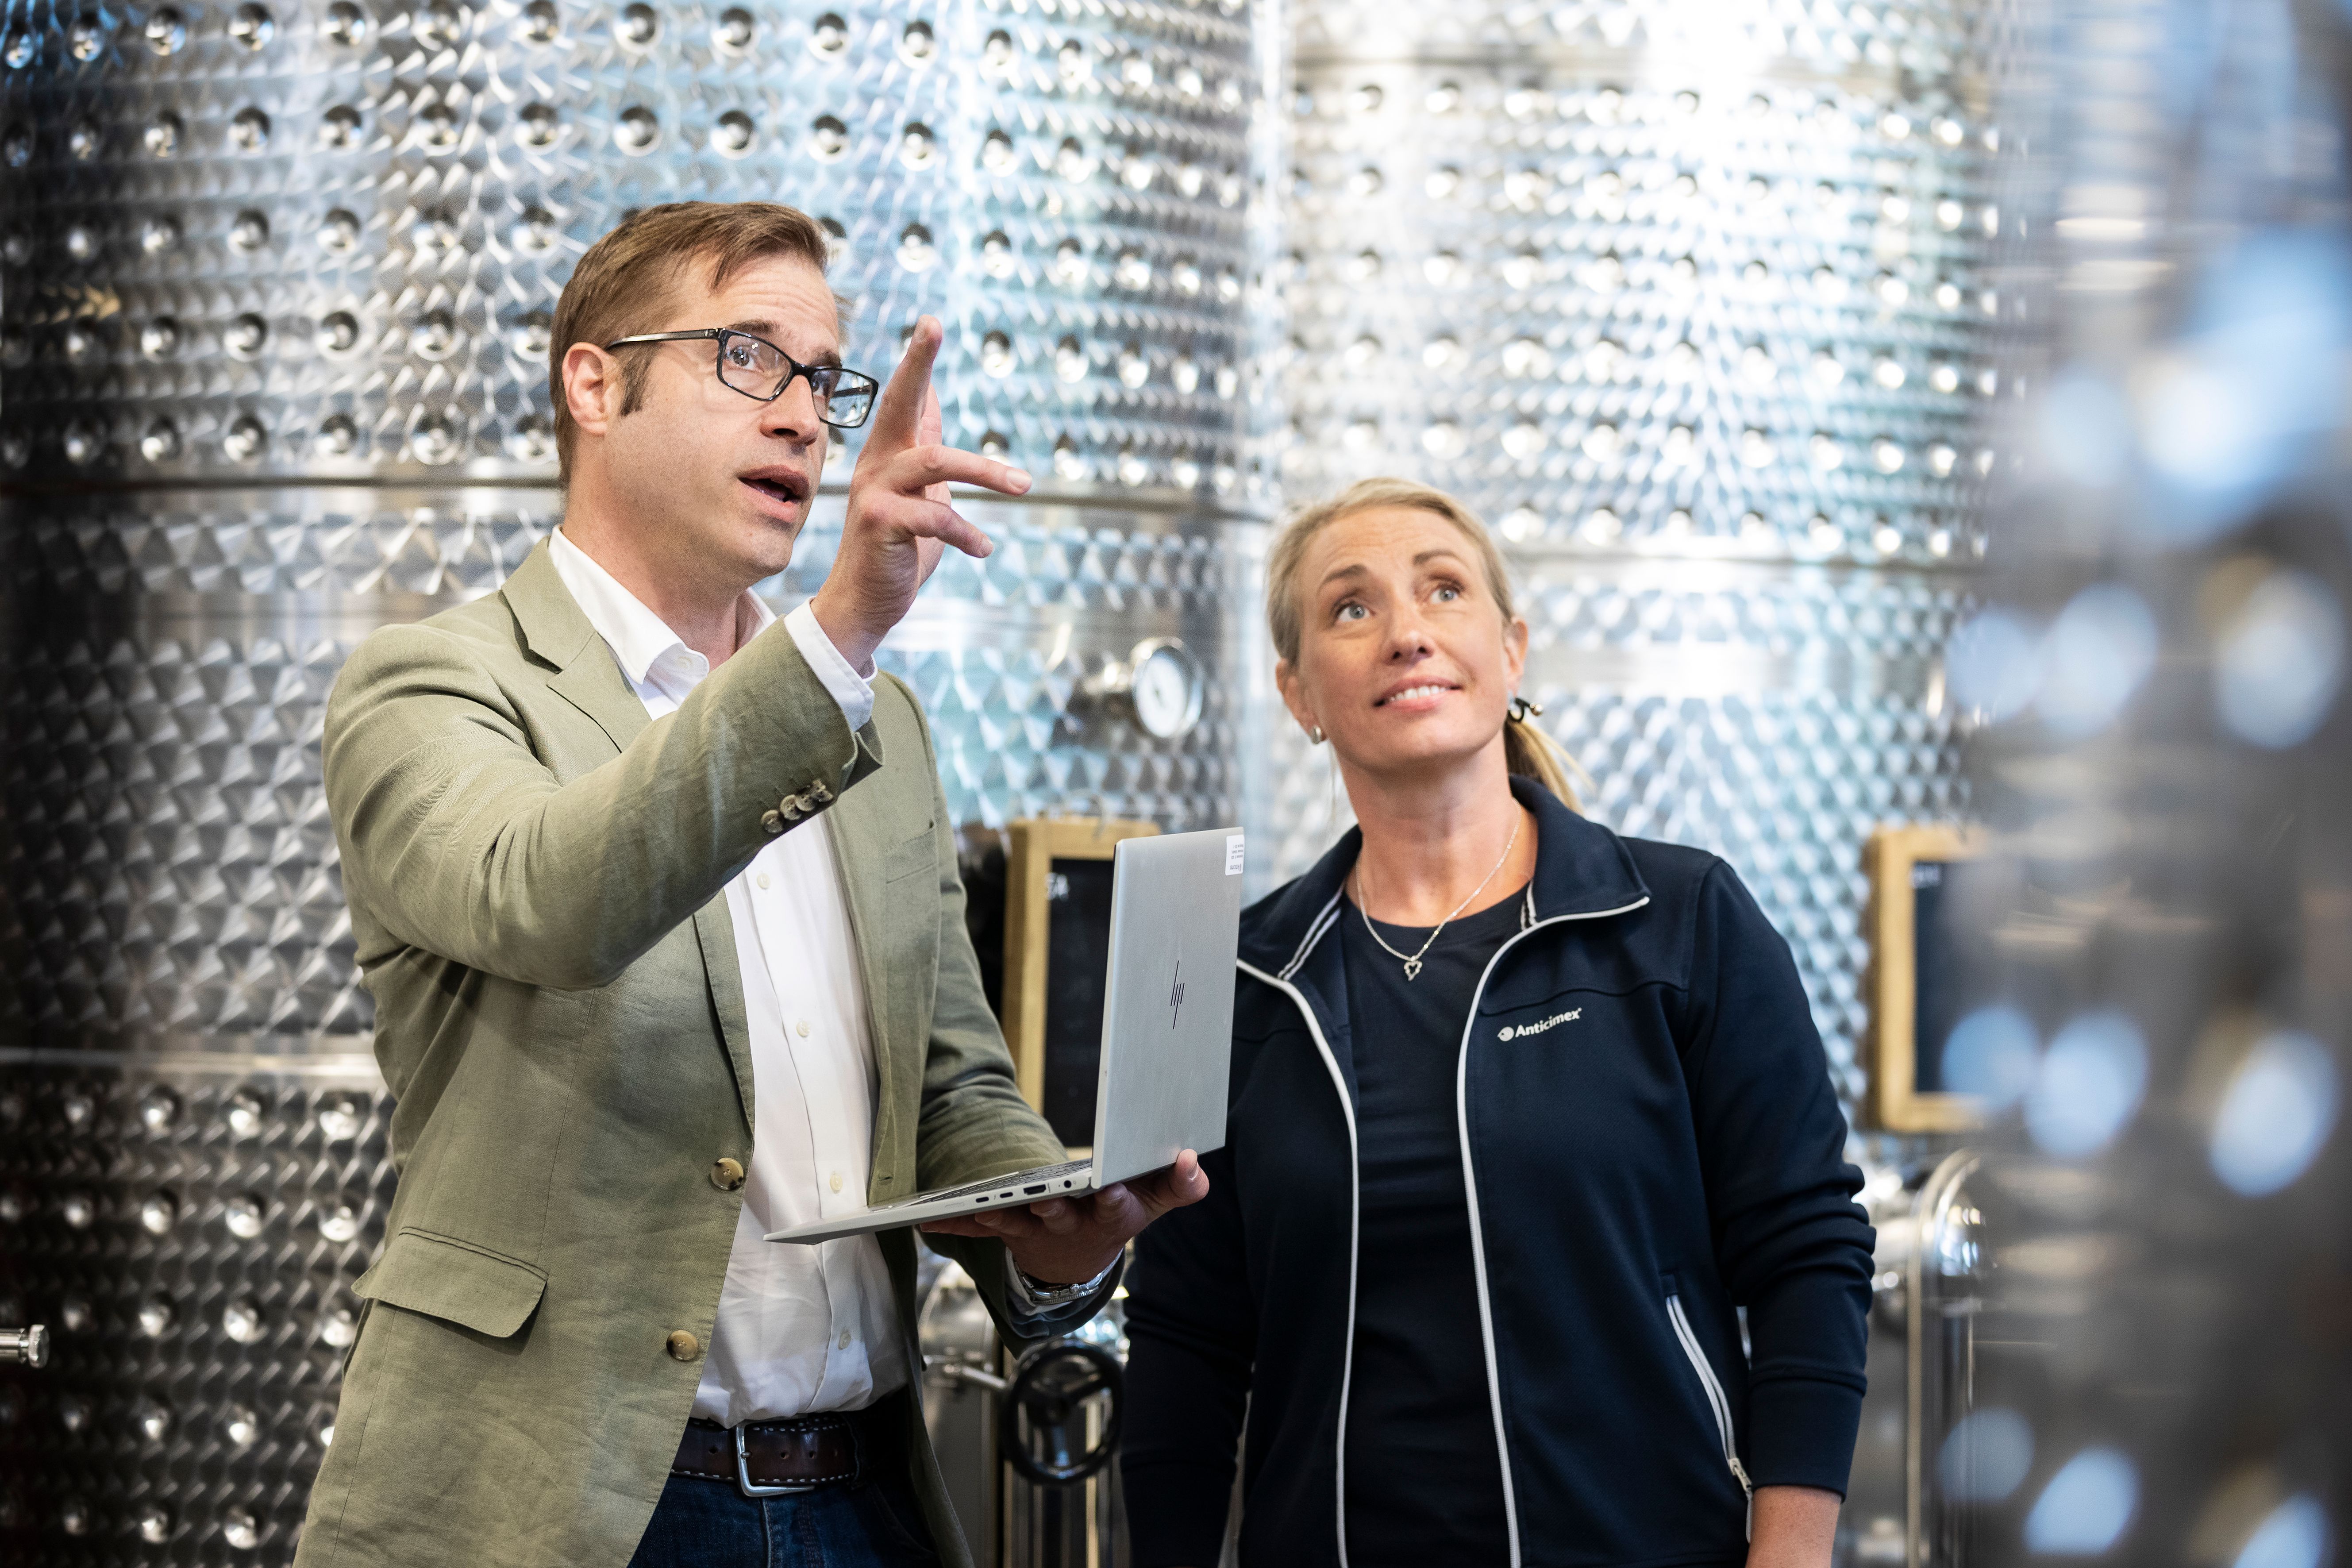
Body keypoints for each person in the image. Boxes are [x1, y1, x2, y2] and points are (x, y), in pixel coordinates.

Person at [293, 201, 1206, 1568]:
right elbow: (551, 899)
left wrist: (1049, 1231)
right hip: (580, 1513)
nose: (801, 418)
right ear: (593, 385)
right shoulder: (434, 685)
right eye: (746, 358)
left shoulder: (880, 729)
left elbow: (947, 1086)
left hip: (864, 1496)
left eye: (823, 381)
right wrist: (838, 636)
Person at [1120, 478, 1875, 1568]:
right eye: (1351, 607)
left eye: (1443, 589)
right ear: (1298, 693)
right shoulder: (1236, 975)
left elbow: (1807, 1253)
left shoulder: (1675, 921)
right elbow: (1185, 1338)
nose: (1407, 631)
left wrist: (1791, 1558)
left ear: (1510, 651)